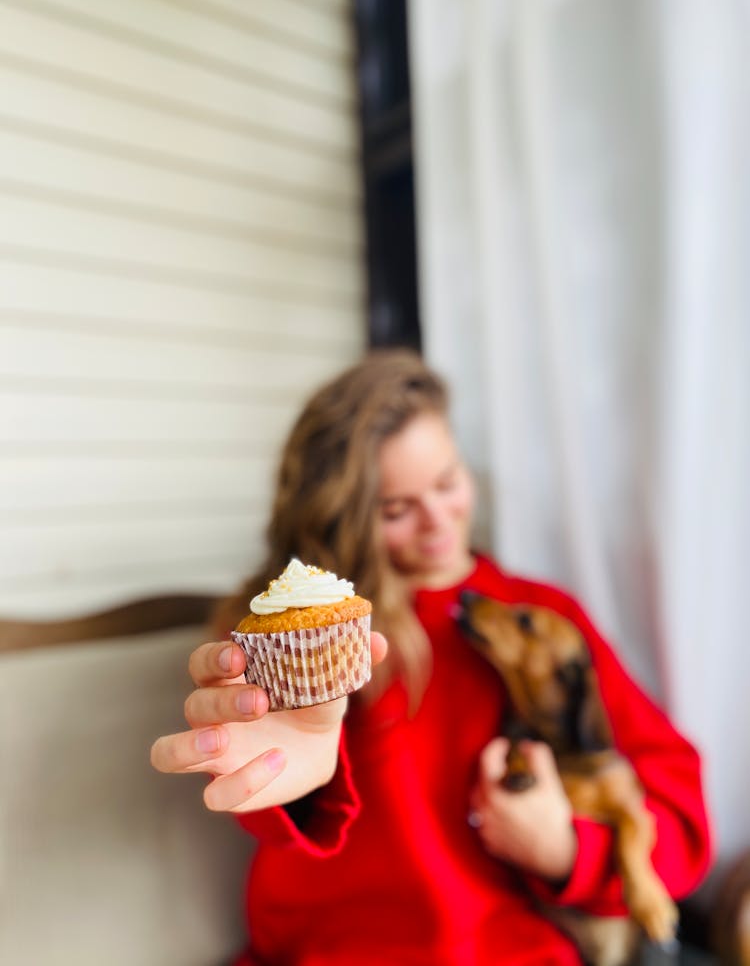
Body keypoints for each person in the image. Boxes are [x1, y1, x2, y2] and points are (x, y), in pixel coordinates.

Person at [151, 349, 712, 966]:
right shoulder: (300, 634)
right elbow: (271, 803)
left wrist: (566, 851)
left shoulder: (541, 620)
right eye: (396, 510)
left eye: (448, 483)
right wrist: (285, 790)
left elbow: (680, 816)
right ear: (344, 518)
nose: (439, 520)